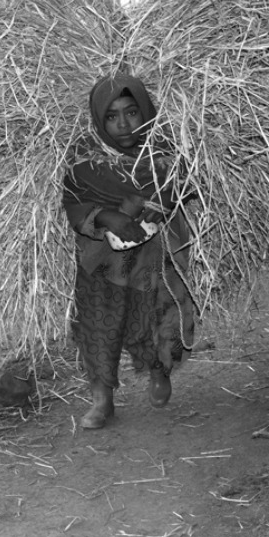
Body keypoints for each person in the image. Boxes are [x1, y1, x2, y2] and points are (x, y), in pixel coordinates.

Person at [62, 73, 195, 429]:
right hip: (101, 261)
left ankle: (158, 371)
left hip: (151, 260)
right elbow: (74, 204)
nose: (123, 124)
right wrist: (106, 215)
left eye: (132, 112)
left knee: (151, 321)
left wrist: (163, 202)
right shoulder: (84, 163)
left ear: (146, 111)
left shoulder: (168, 155)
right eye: (111, 116)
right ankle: (102, 399)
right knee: (97, 326)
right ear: (98, 120)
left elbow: (188, 188)